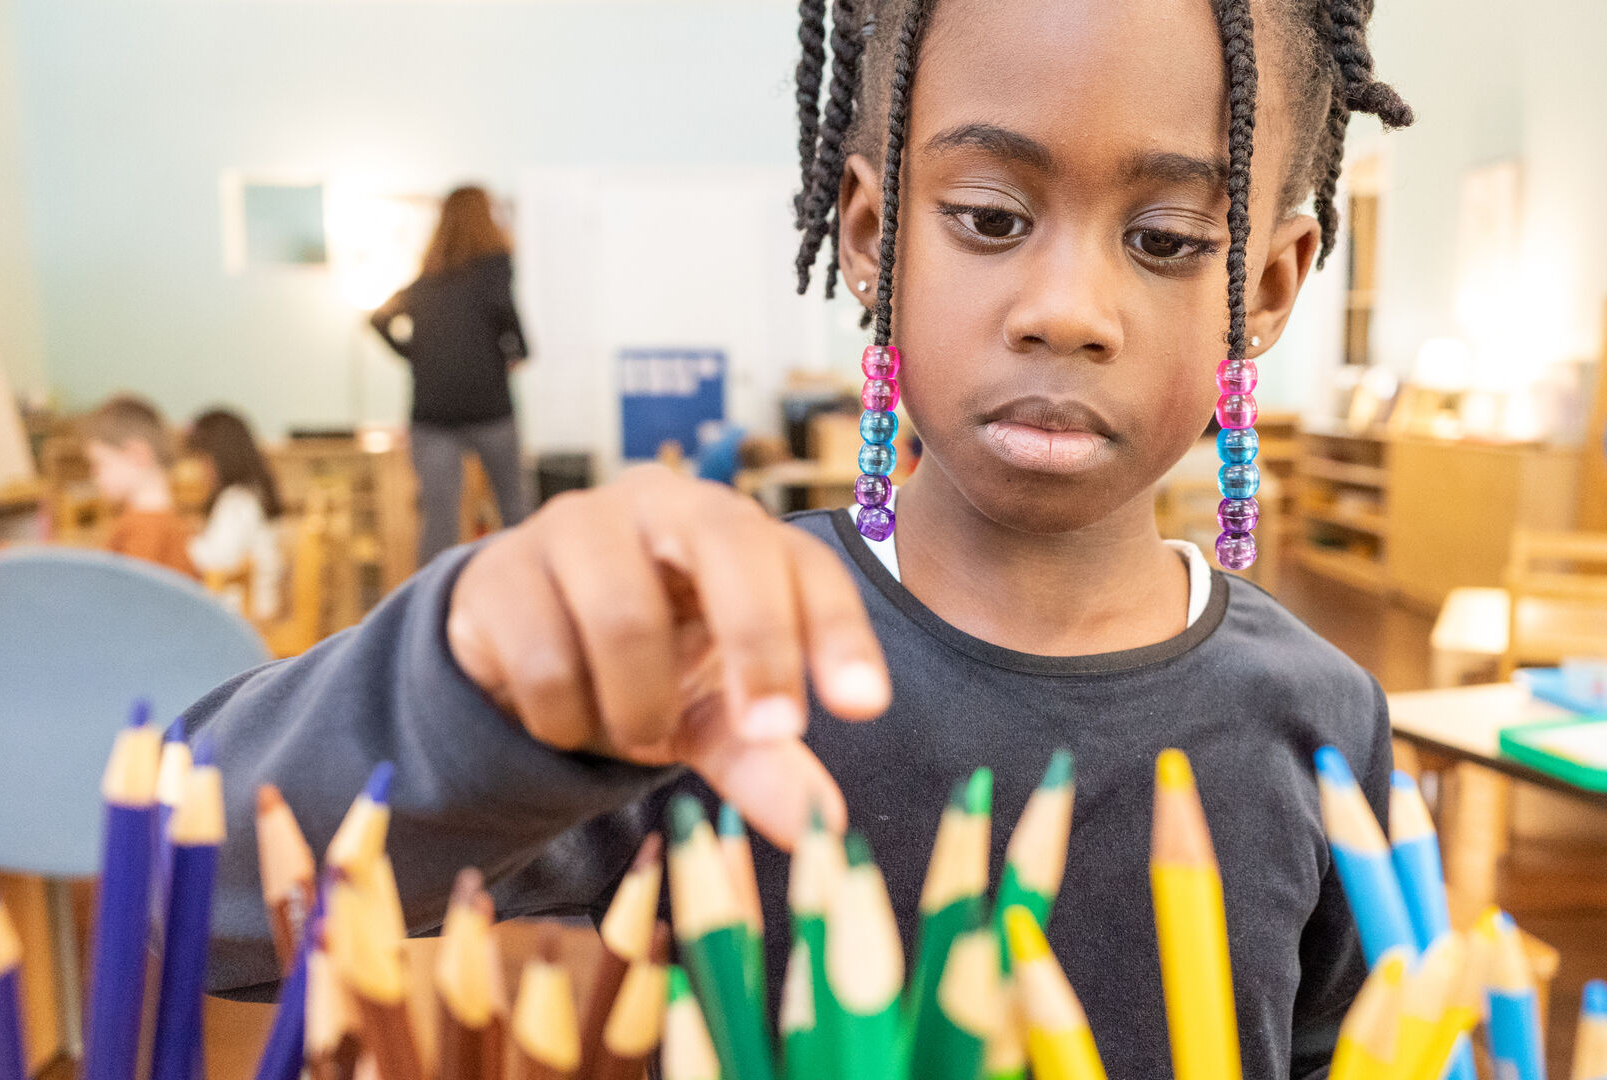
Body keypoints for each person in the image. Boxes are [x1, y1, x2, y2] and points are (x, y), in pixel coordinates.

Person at [193, 2, 1413, 1075]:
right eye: (990, 218)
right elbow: (199, 901)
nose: (1065, 312)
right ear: (873, 235)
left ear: (1265, 286)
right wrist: (475, 683)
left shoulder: (1323, 716)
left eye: (1165, 241)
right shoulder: (716, 656)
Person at [371, 185, 531, 564]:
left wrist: (413, 354)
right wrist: (519, 350)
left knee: (438, 517)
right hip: (488, 406)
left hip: (433, 413)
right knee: (513, 504)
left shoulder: (427, 282)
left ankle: (428, 608)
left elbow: (379, 319)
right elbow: (506, 314)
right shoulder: (494, 266)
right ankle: (529, 587)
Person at [185, 408, 284, 621]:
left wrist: (180, 540)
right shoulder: (251, 493)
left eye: (202, 459)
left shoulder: (236, 502)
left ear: (218, 457)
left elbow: (216, 562)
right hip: (258, 605)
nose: (200, 470)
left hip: (245, 614)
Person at [84, 395, 194, 578]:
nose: (94, 474)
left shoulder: (144, 529)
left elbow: (128, 599)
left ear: (138, 455)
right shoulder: (170, 520)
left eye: (100, 463)